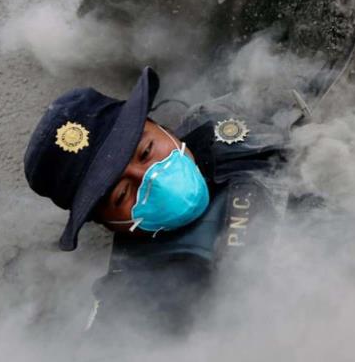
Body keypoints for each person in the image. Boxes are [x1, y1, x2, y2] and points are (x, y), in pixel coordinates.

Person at [24, 66, 288, 334]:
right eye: (123, 194)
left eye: (146, 151)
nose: (151, 177)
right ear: (108, 223)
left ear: (160, 126)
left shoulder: (233, 115)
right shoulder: (134, 305)